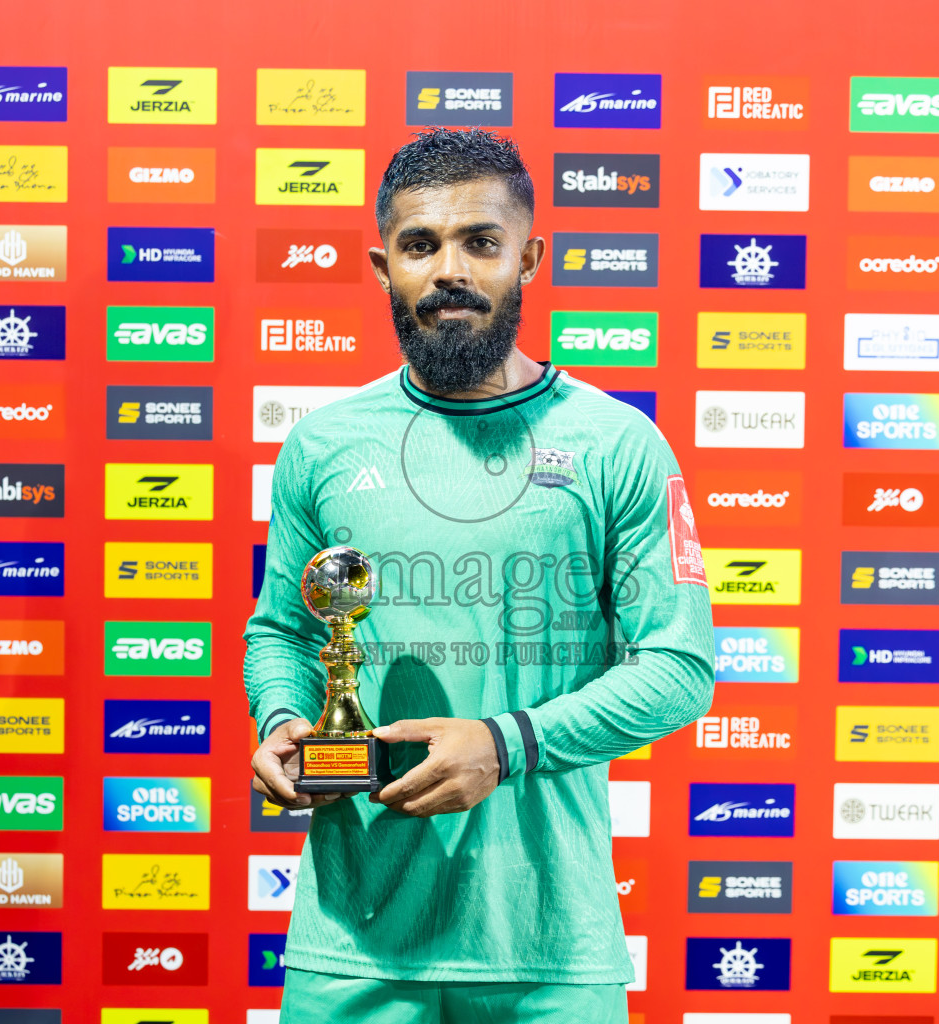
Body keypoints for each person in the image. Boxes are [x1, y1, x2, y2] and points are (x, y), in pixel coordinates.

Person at [243, 127, 715, 1023]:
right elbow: (284, 633)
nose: (448, 269)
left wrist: (505, 743)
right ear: (383, 267)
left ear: (531, 256)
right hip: (352, 947)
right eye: (420, 246)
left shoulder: (618, 444)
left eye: (480, 243)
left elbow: (679, 667)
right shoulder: (322, 446)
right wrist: (282, 719)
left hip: (549, 951)